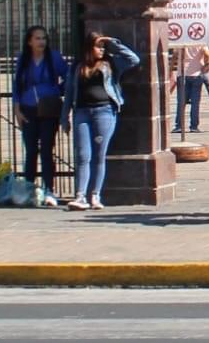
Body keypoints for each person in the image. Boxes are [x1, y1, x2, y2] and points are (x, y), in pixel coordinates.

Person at [60, 31, 140, 211]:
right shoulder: (76, 67)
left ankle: (95, 195)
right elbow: (68, 94)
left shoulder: (111, 63)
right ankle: (80, 196)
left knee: (99, 155)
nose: (102, 50)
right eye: (98, 46)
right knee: (82, 155)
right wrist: (64, 117)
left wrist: (112, 42)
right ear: (88, 47)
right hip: (82, 112)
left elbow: (133, 59)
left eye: (103, 47)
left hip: (105, 112)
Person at [12, 25, 68, 202]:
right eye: (37, 38)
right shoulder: (23, 59)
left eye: (44, 38)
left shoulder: (54, 57)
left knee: (46, 149)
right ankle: (29, 189)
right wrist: (17, 109)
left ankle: (49, 189)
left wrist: (56, 90)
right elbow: (16, 86)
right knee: (30, 150)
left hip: (48, 108)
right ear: (29, 41)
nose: (41, 41)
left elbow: (69, 76)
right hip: (28, 107)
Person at [171, 43, 209, 135]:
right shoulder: (200, 42)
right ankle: (194, 126)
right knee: (195, 103)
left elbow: (174, 54)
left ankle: (179, 126)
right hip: (197, 74)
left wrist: (170, 69)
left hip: (182, 74)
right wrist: (205, 67)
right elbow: (208, 54)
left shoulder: (182, 41)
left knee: (181, 102)